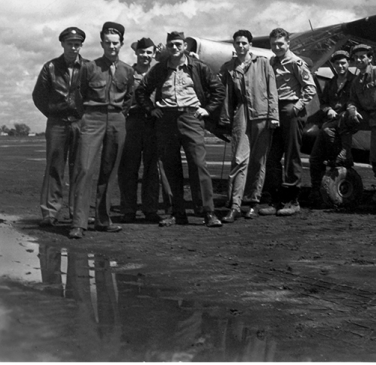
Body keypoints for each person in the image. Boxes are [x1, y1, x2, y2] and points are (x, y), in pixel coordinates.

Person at [137, 31, 224, 228]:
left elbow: (218, 90)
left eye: (178, 44)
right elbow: (141, 91)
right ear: (167, 48)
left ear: (185, 46)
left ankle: (208, 212)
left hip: (191, 118)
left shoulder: (199, 67)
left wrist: (206, 109)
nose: (174, 48)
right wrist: (151, 109)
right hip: (166, 119)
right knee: (169, 167)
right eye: (171, 45)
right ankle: (175, 212)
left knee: (198, 164)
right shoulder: (159, 70)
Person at [68, 22, 135, 239]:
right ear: (102, 43)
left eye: (115, 43)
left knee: (109, 170)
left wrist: (120, 115)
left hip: (116, 120)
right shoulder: (89, 67)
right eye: (107, 42)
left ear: (121, 44)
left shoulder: (127, 70)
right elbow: (78, 94)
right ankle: (78, 223)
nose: (112, 46)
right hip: (92, 118)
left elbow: (129, 97)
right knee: (85, 168)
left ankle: (103, 220)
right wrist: (83, 118)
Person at [218, 29, 279, 223]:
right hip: (241, 113)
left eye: (244, 43)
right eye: (238, 43)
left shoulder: (263, 63)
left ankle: (253, 202)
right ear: (234, 45)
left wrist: (273, 115)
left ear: (250, 44)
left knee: (258, 160)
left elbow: (272, 91)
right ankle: (235, 205)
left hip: (262, 114)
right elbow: (222, 89)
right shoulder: (229, 67)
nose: (241, 46)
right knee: (239, 159)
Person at [32, 26, 88, 227]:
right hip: (57, 123)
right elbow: (38, 95)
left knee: (79, 167)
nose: (74, 48)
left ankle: (77, 211)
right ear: (62, 44)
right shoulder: (50, 67)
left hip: (81, 123)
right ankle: (50, 212)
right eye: (70, 44)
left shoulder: (89, 68)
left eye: (77, 44)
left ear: (81, 45)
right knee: (54, 167)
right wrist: (54, 113)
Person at [258, 28, 316, 216]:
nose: (277, 47)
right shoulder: (272, 62)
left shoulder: (296, 62)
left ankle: (292, 200)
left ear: (288, 43)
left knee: (292, 155)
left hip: (291, 109)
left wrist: (296, 108)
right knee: (273, 156)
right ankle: (276, 199)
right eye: (274, 44)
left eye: (280, 43)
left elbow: (310, 88)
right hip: (274, 111)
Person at [118, 38, 163, 223]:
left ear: (154, 55)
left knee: (152, 169)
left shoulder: (159, 73)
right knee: (129, 168)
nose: (145, 56)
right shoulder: (128, 73)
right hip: (133, 123)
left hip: (154, 124)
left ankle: (150, 209)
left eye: (149, 52)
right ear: (136, 53)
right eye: (142, 52)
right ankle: (128, 209)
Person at [346, 43, 376, 207]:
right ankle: (344, 157)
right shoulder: (356, 81)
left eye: (362, 56)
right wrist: (352, 111)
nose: (358, 60)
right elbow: (352, 100)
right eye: (356, 57)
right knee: (342, 121)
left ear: (370, 58)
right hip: (369, 117)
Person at [308, 49, 356, 206]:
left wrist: (344, 113)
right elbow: (323, 103)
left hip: (346, 125)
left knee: (340, 158)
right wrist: (327, 109)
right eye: (337, 63)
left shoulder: (354, 82)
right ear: (333, 65)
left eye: (343, 63)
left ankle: (343, 184)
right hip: (329, 124)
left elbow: (355, 103)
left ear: (348, 63)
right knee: (315, 159)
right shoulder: (330, 83)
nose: (340, 66)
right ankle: (316, 191)